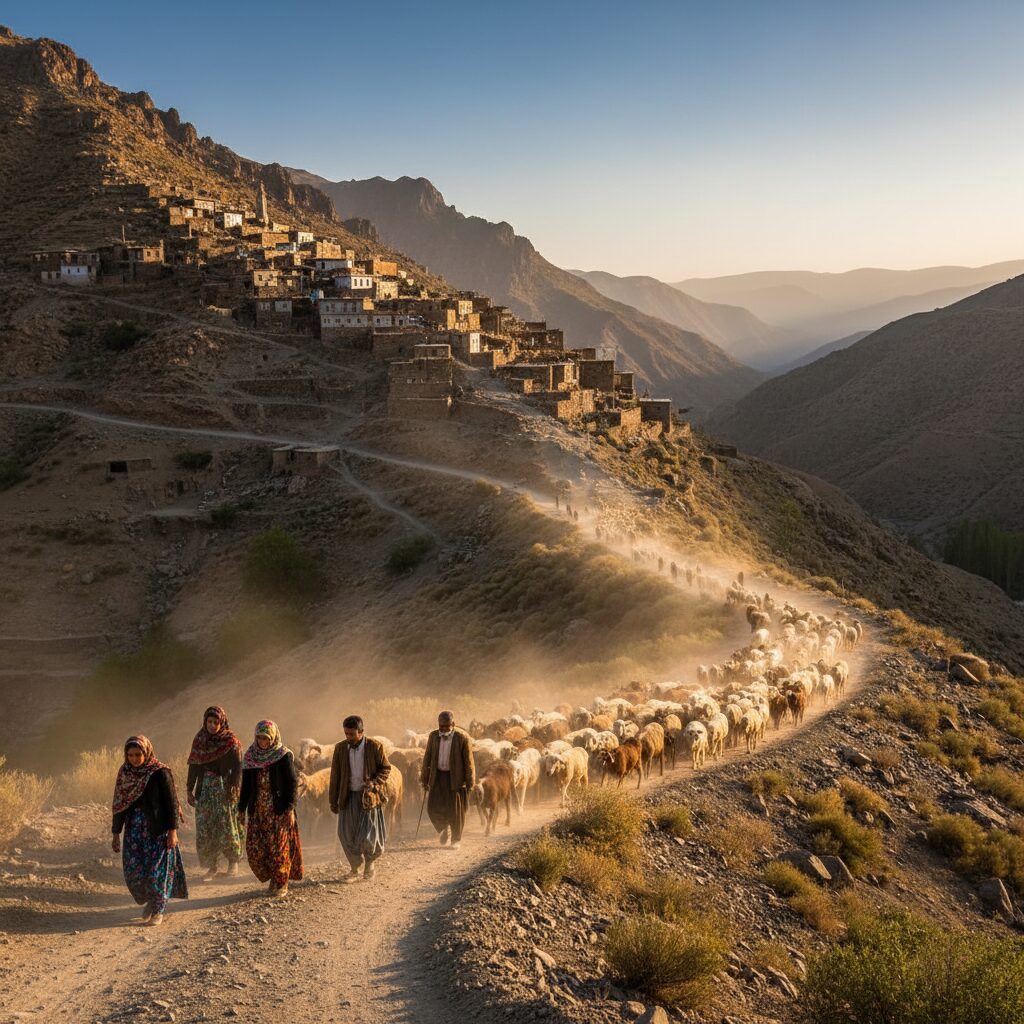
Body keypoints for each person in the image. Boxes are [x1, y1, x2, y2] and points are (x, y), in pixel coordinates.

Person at [111, 735, 188, 926]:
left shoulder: (159, 772)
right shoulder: (125, 774)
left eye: (138, 754)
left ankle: (158, 910)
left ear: (147, 753)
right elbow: (119, 804)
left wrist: (173, 831)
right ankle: (152, 902)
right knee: (135, 873)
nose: (135, 759)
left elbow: (170, 803)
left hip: (158, 830)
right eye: (130, 755)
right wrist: (115, 833)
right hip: (134, 832)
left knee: (156, 873)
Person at [237, 720, 303, 897]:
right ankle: (273, 877)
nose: (262, 742)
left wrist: (290, 809)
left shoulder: (283, 755)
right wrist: (240, 809)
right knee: (257, 849)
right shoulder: (251, 756)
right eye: (259, 738)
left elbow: (292, 782)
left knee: (279, 848)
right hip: (258, 810)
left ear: (273, 738)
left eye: (265, 738)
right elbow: (246, 787)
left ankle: (282, 883)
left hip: (278, 810)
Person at [328, 716, 392, 883]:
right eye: (346, 734)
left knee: (368, 835)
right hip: (347, 796)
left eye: (351, 734)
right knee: (346, 834)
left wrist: (374, 783)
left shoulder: (375, 746)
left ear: (361, 732)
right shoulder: (340, 748)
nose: (348, 737)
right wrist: (333, 801)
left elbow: (385, 768)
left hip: (367, 798)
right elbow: (335, 776)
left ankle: (369, 863)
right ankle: (355, 868)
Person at [186, 705, 243, 880]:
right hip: (205, 790)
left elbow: (238, 767)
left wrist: (234, 786)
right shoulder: (200, 740)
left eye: (216, 722)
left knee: (226, 826)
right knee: (206, 827)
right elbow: (194, 767)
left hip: (225, 790)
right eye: (209, 722)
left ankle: (233, 862)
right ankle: (213, 866)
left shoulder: (231, 742)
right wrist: (189, 789)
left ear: (222, 722)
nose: (212, 725)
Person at [420, 711, 476, 850]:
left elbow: (468, 762)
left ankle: (456, 839)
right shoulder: (433, 736)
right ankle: (444, 827)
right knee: (432, 808)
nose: (444, 729)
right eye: (441, 726)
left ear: (453, 724)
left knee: (456, 811)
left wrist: (470, 782)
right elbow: (428, 757)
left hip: (455, 778)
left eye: (446, 726)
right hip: (437, 776)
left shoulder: (462, 738)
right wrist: (424, 778)